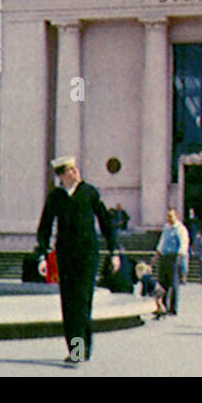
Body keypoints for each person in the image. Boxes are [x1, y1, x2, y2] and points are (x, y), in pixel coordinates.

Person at [34, 156, 120, 364]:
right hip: (65, 255)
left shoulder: (89, 192)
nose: (76, 172)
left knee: (83, 300)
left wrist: (114, 251)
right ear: (62, 175)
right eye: (70, 169)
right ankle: (76, 350)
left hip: (87, 254)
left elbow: (105, 223)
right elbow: (44, 227)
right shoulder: (55, 196)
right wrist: (42, 256)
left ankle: (82, 349)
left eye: (75, 168)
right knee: (69, 303)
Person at [155, 208, 189, 315]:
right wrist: (157, 254)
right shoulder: (166, 228)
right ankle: (162, 306)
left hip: (174, 258)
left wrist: (180, 256)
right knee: (162, 282)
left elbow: (184, 243)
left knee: (173, 284)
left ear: (176, 216)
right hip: (164, 257)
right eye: (168, 216)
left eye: (171, 216)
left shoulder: (180, 229)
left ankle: (173, 308)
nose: (169, 218)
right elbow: (162, 242)